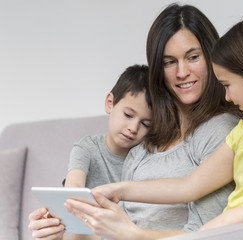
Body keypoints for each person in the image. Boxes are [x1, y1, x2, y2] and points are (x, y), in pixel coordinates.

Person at [64, 15, 243, 238]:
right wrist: (120, 190)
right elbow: (189, 186)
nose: (227, 96)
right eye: (170, 63)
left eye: (228, 85)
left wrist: (223, 223)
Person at [28, 4, 240, 240]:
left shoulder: (219, 130)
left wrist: (132, 234)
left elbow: (207, 235)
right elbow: (112, 229)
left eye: (193, 57)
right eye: (169, 62)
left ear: (212, 56)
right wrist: (59, 231)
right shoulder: (146, 135)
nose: (182, 72)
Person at [30, 64, 152, 240]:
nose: (133, 128)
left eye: (145, 124)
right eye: (128, 115)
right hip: (87, 230)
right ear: (110, 103)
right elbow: (73, 191)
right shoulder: (87, 148)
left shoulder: (145, 157)